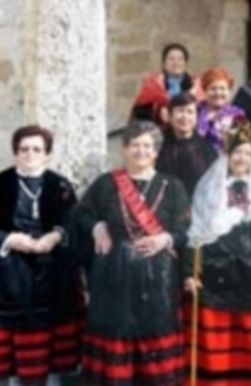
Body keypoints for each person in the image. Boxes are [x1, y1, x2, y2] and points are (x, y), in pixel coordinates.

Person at [75, 121, 190, 385]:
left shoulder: (173, 186)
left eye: (147, 146)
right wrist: (97, 227)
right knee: (116, 330)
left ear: (156, 151)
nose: (141, 151)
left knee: (154, 331)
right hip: (114, 274)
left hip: (158, 277)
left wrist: (165, 238)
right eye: (135, 145)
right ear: (125, 149)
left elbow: (183, 228)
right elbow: (82, 213)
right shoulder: (106, 184)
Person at [0, 126, 83, 386]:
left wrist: (55, 236)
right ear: (15, 153)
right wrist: (9, 240)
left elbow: (74, 223)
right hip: (8, 275)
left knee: (50, 355)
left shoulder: (60, 185)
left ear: (47, 154)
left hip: (51, 276)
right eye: (24, 149)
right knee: (10, 360)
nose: (30, 154)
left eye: (36, 149)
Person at [184, 120, 251, 385]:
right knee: (219, 338)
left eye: (247, 153)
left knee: (250, 338)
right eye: (237, 152)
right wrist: (190, 271)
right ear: (227, 155)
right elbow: (197, 232)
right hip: (215, 271)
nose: (242, 158)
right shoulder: (209, 190)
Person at [155, 93, 218, 196]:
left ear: (197, 117)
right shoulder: (157, 144)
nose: (185, 117)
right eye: (180, 111)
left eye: (190, 112)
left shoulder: (207, 149)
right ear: (170, 116)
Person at [131, 43, 204, 127]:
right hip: (161, 131)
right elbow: (140, 114)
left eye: (180, 59)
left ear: (185, 63)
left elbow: (204, 111)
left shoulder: (196, 85)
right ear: (164, 63)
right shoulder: (152, 84)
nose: (176, 63)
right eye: (171, 59)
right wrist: (158, 112)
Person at [197, 67, 245, 151]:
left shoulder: (237, 115)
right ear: (205, 91)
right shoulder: (195, 111)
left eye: (222, 89)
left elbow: (241, 144)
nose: (218, 93)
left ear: (229, 91)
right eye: (213, 89)